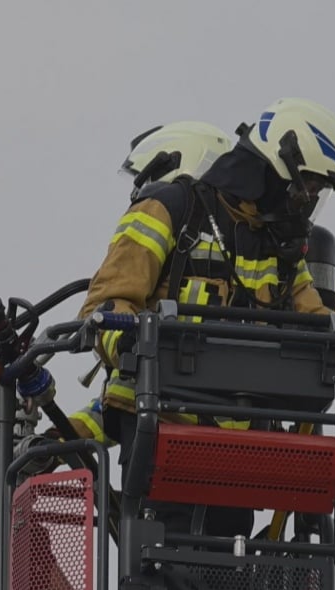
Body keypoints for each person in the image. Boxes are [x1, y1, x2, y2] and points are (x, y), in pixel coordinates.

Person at [75, 97, 335, 536]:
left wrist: (333, 353)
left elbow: (315, 323)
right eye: (306, 186)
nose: (308, 201)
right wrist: (136, 347)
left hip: (243, 447)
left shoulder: (282, 248)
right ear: (274, 168)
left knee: (227, 563)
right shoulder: (171, 208)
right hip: (161, 432)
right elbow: (108, 304)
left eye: (316, 193)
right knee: (164, 561)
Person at [61, 121, 234, 445]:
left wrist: (123, 341)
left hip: (167, 444)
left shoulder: (164, 216)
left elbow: (138, 393)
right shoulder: (249, 263)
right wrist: (59, 440)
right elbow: (122, 398)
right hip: (238, 448)